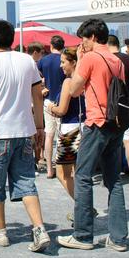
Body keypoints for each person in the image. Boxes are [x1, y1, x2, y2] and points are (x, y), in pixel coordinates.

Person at [0, 21, 50, 252]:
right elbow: (38, 96)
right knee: (26, 182)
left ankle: (0, 231)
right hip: (24, 130)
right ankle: (39, 228)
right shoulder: (26, 60)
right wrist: (39, 126)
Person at [59, 18, 128, 252]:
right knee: (114, 180)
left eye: (84, 39)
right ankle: (118, 238)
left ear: (92, 38)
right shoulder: (115, 59)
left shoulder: (89, 58)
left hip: (96, 121)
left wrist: (79, 62)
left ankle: (83, 235)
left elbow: (75, 89)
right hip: (115, 123)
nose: (82, 44)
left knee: (83, 176)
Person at [45, 49, 84, 204]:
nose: (61, 66)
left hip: (70, 130)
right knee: (78, 172)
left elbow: (62, 110)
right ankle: (83, 206)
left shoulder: (69, 82)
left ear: (73, 62)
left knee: (62, 172)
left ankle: (83, 206)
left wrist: (50, 108)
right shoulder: (83, 79)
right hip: (82, 126)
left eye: (63, 62)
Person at [107, 35, 129, 188]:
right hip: (127, 104)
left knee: (109, 142)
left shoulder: (105, 60)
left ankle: (108, 177)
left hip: (109, 105)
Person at [38, 35, 66, 180]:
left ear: (50, 45)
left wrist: (43, 84)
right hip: (63, 100)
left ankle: (49, 169)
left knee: (49, 135)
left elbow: (38, 77)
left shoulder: (44, 60)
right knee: (63, 135)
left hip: (48, 100)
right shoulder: (66, 59)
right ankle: (64, 167)